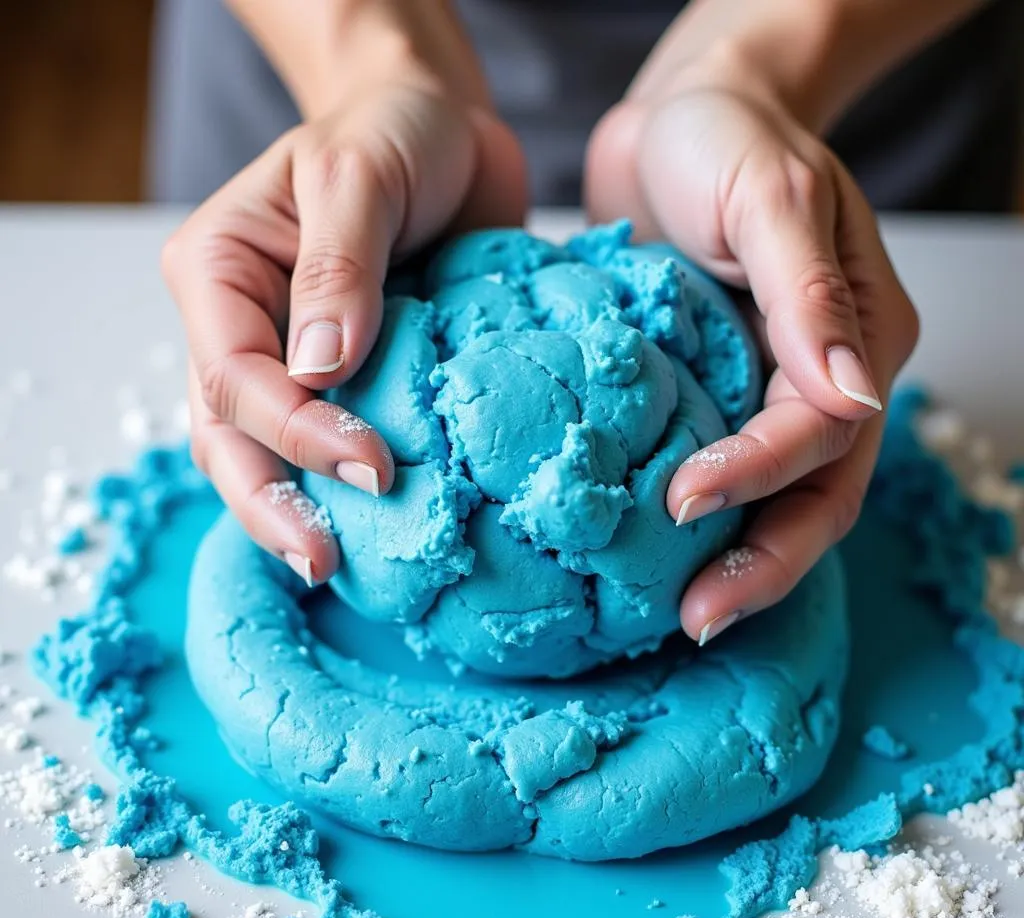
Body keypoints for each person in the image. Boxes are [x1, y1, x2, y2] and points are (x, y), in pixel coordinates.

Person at [152, 0, 1022, 647]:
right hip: (324, 91)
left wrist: (764, 61)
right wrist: (370, 65)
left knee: (811, 317)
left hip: (844, 87)